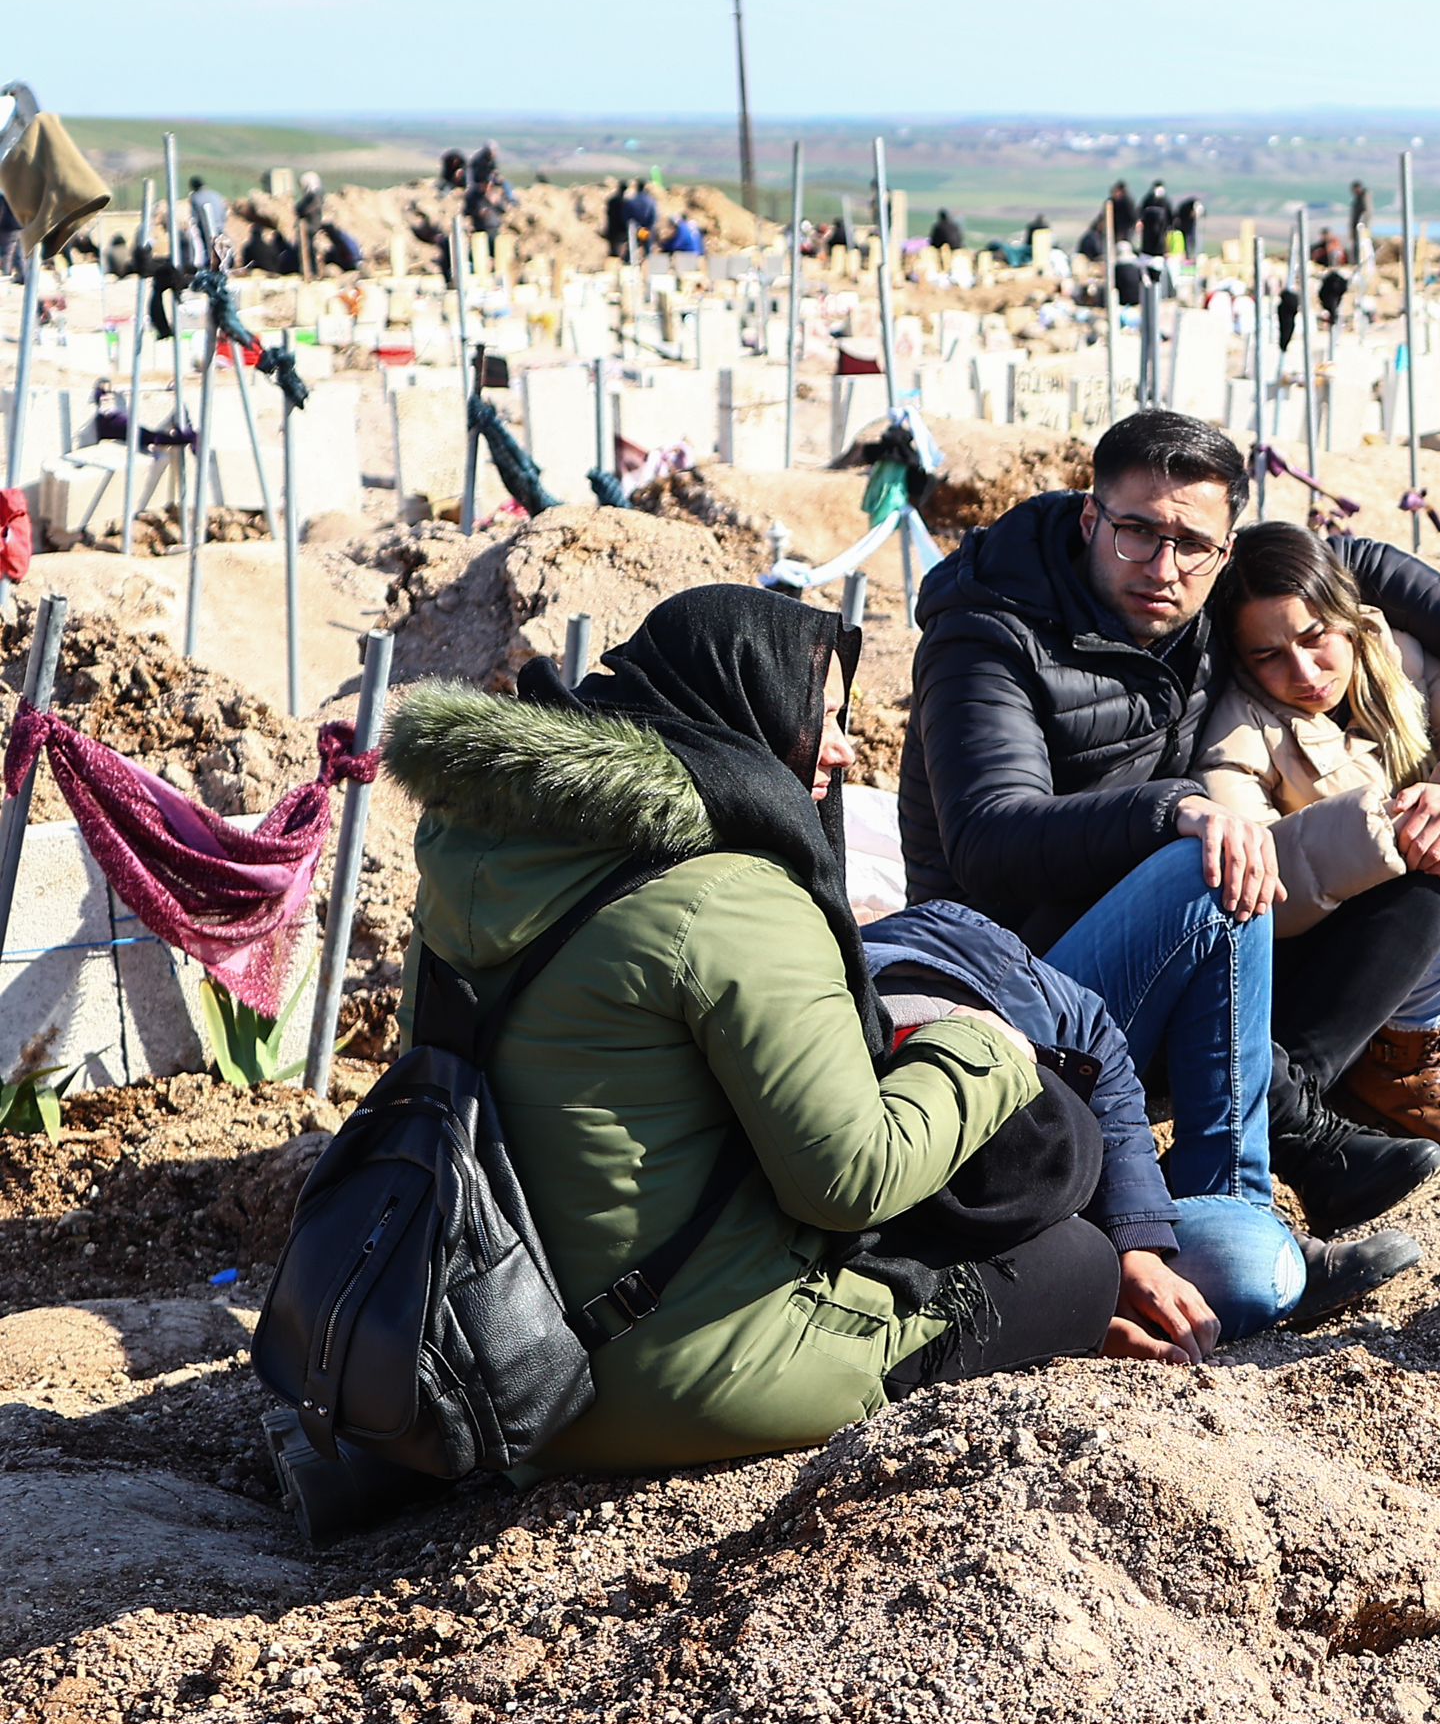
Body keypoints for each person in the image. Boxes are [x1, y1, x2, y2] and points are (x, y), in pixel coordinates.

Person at [385, 585, 1124, 1468]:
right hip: (655, 1383)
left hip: (477, 1343)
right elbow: (848, 1181)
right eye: (824, 715)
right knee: (1077, 1263)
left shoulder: (481, 855)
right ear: (741, 707)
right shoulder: (731, 896)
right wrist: (980, 1052)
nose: (845, 749)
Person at [896, 410, 1440, 1296]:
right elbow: (987, 839)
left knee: (1429, 851)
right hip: (1022, 985)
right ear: (1090, 516)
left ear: (1223, 551)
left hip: (1176, 947)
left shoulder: (1206, 595)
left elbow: (1355, 566)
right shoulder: (989, 635)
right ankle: (1272, 1162)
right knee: (1212, 858)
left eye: (1191, 543)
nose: (1161, 566)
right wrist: (1172, 808)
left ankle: (1279, 1145)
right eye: (1137, 530)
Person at [1200, 524, 1440, 1156]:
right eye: (1268, 656)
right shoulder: (1235, 728)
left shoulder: (1404, 657)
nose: (1304, 671)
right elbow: (1265, 891)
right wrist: (1391, 830)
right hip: (1346, 952)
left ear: (1347, 617)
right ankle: (1399, 1058)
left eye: (1314, 637)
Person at [863, 898, 1267, 1359]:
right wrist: (1074, 1322)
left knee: (1253, 1267)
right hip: (964, 1256)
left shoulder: (992, 968)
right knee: (1246, 1269)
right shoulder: (846, 1131)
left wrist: (1136, 1241)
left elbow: (1099, 1041)